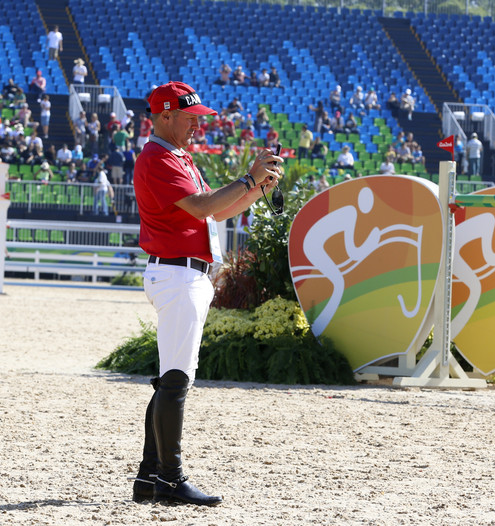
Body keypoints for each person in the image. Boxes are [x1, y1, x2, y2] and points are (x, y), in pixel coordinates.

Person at [131, 81, 282, 506]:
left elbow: (216, 208)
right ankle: (170, 479)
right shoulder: (159, 157)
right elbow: (201, 207)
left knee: (169, 380)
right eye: (191, 117)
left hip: (183, 274)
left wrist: (255, 189)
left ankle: (149, 476)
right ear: (164, 115)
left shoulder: (175, 156)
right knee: (176, 380)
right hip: (179, 275)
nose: (198, 125)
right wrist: (247, 178)